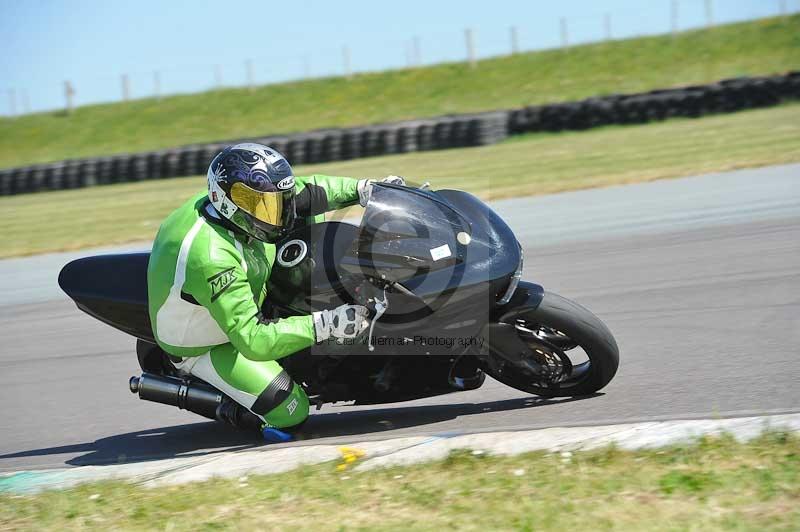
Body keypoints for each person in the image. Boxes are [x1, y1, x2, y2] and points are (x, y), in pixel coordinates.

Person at [146, 142, 403, 440]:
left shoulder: (239, 211)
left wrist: (366, 189)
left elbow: (309, 191)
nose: (278, 214)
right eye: (262, 205)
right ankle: (230, 406)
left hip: (247, 284)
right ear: (229, 203)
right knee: (291, 411)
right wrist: (327, 324)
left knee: (306, 220)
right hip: (212, 342)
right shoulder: (211, 257)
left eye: (275, 201)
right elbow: (252, 339)